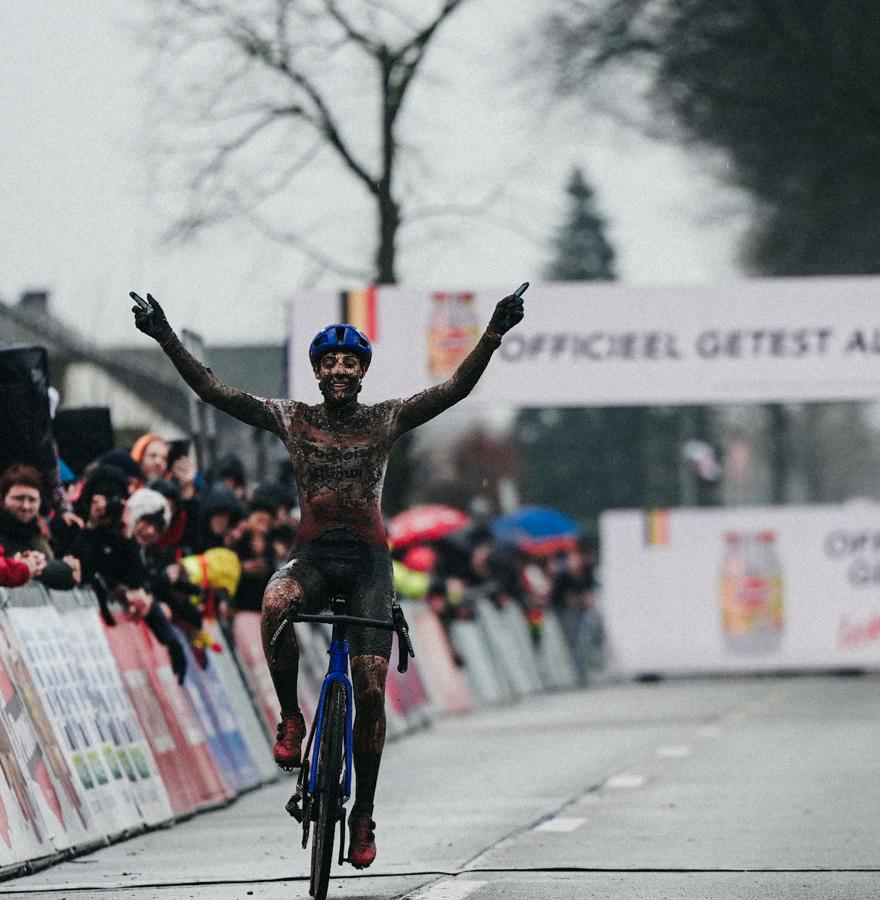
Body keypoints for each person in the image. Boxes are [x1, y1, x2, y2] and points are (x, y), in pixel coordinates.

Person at [131, 287, 524, 868]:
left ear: (362, 370)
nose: (340, 370)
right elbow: (215, 391)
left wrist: (492, 333)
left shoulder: (385, 418)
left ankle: (362, 812)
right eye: (330, 362)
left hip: (368, 564)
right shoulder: (294, 418)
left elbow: (454, 389)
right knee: (273, 606)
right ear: (317, 371)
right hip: (312, 557)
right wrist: (165, 336)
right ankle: (291, 715)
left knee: (369, 691)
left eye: (350, 362)